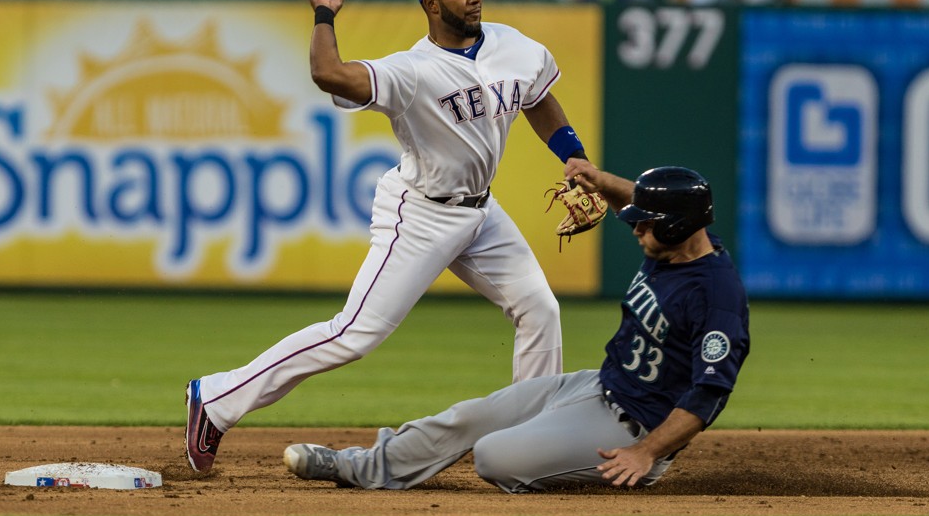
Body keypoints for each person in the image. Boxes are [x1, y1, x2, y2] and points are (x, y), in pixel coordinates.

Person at [184, 0, 595, 473]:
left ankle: (529, 439)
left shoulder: (516, 46)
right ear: (431, 3)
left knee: (540, 310)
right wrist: (325, 15)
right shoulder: (411, 71)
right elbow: (329, 74)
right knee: (354, 334)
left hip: (481, 212)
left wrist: (573, 154)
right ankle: (215, 399)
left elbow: (537, 98)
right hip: (421, 214)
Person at [283, 164, 751, 492]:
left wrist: (647, 452)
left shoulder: (718, 297)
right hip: (594, 385)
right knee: (468, 418)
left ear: (676, 227)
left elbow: (709, 394)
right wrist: (596, 177)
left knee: (493, 458)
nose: (633, 229)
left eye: (645, 224)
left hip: (634, 429)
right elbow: (641, 199)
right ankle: (357, 466)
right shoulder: (680, 239)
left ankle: (597, 477)